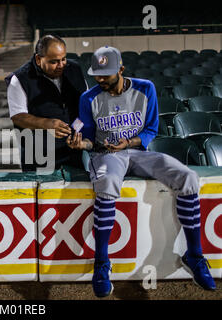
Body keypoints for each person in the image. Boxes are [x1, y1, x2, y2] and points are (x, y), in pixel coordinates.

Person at [67, 46, 216, 297]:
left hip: (138, 151)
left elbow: (151, 130)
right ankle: (102, 263)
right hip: (106, 154)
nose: (100, 79)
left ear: (121, 69)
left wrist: (128, 143)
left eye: (106, 74)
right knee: (107, 182)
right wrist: (80, 143)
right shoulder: (88, 98)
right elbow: (89, 139)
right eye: (97, 75)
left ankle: (194, 254)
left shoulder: (145, 88)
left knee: (188, 177)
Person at [5, 35, 87, 172]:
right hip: (38, 154)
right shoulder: (19, 78)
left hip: (74, 151)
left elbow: (85, 102)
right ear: (38, 59)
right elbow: (17, 116)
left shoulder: (75, 69)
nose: (61, 65)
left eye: (63, 59)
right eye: (54, 62)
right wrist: (46, 124)